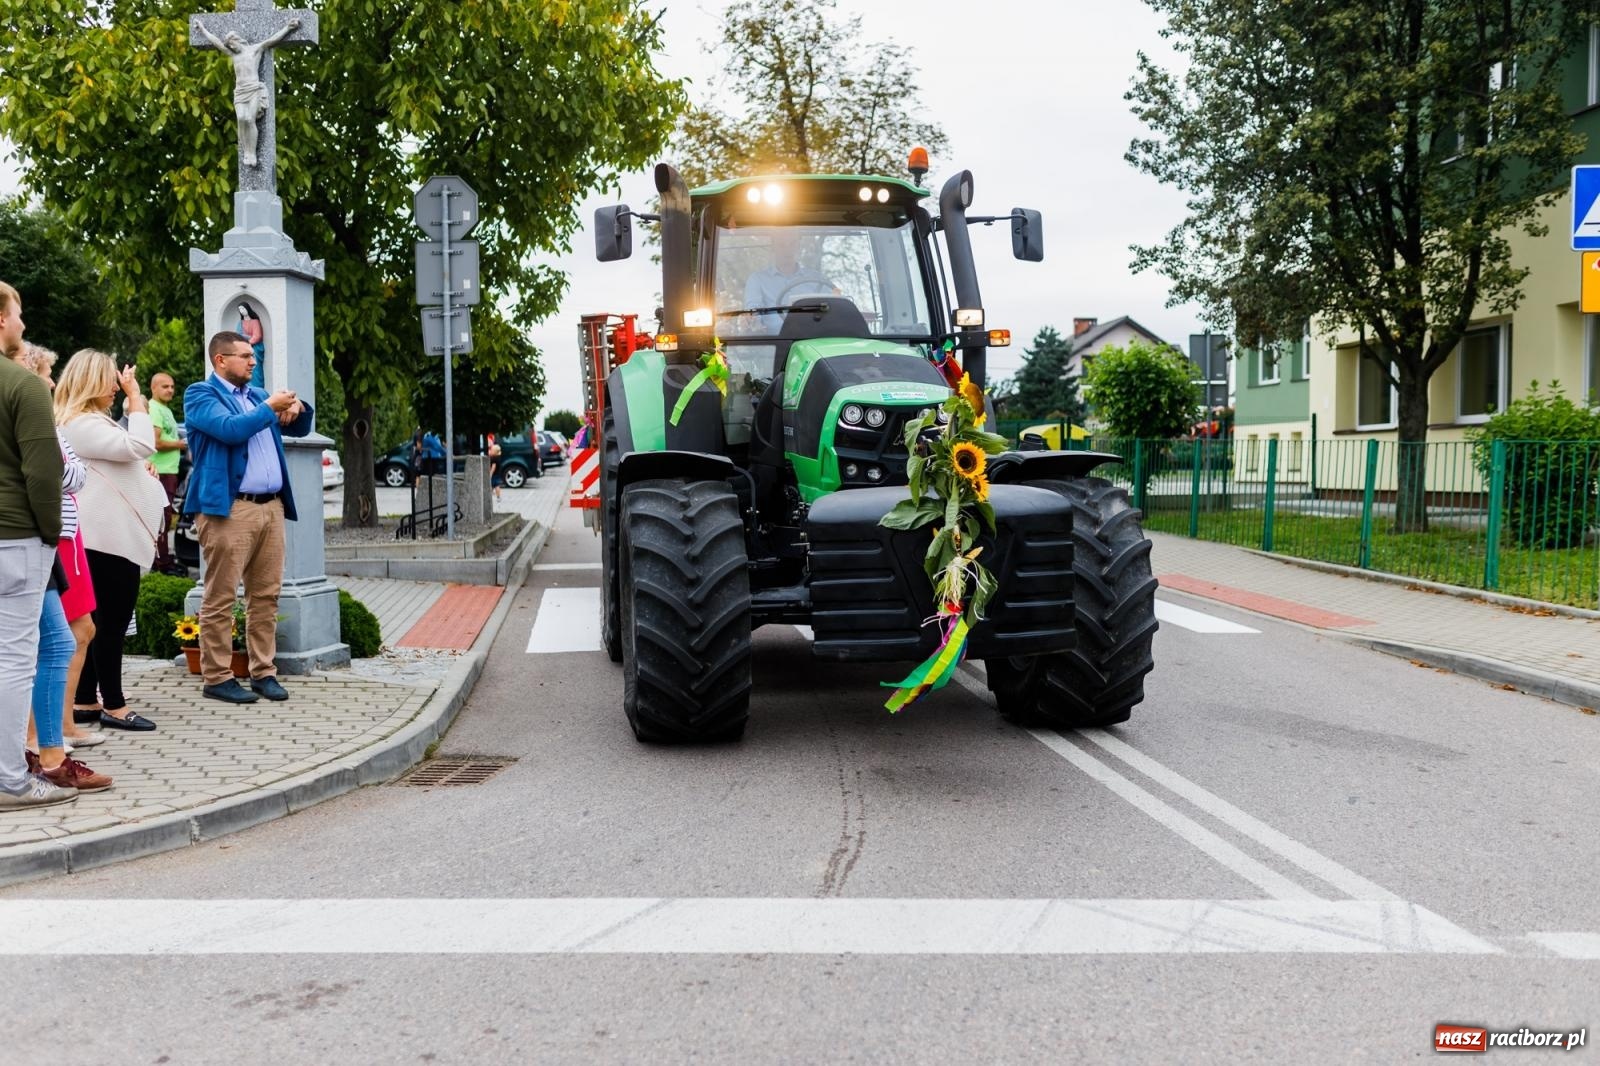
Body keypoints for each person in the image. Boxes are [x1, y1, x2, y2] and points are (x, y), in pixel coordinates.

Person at [182, 331, 312, 704]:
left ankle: (263, 672)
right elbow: (229, 430)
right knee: (221, 596)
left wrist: (298, 407)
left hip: (271, 506)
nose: (252, 361)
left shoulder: (257, 396)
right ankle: (217, 677)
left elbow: (300, 428)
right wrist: (270, 407)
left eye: (253, 355)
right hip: (229, 508)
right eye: (243, 356)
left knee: (266, 595)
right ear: (220, 360)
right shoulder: (200, 394)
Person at [6, 346, 112, 791]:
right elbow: (55, 472)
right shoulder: (24, 395)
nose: (52, 382)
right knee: (23, 654)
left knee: (58, 640)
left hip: (41, 537)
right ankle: (24, 761)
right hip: (35, 536)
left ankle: (49, 752)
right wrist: (50, 532)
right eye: (46, 374)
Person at [57, 350, 167, 732]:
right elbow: (140, 445)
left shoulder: (89, 422)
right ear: (89, 381)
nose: (116, 388)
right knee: (111, 624)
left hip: (106, 537)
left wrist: (140, 466)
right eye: (109, 380)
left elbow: (130, 456)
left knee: (97, 623)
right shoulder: (81, 423)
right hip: (105, 540)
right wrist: (137, 397)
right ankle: (114, 705)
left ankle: (87, 700)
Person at [0, 281, 76, 809]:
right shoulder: (23, 386)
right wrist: (50, 534)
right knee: (13, 662)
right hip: (15, 539)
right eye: (18, 314)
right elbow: (43, 474)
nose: (23, 326)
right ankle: (11, 779)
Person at [192, 16, 302, 168]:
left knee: (250, 119)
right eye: (229, 46)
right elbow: (216, 42)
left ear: (238, 40)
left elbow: (271, 40)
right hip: (240, 92)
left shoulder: (255, 50)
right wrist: (203, 30)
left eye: (232, 44)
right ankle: (246, 152)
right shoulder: (233, 55)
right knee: (241, 119)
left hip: (253, 89)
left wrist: (288, 28)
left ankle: (252, 153)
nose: (231, 47)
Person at [743, 230, 835, 332]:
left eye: (792, 244)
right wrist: (752, 318)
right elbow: (754, 309)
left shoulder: (816, 279)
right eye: (782, 245)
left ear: (798, 246)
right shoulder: (758, 279)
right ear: (773, 248)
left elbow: (833, 304)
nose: (788, 250)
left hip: (811, 338)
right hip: (775, 343)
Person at [148, 371, 187, 574]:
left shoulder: (165, 409)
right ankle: (163, 563)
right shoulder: (154, 409)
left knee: (164, 516)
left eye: (172, 386)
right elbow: (155, 442)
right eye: (165, 386)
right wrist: (180, 444)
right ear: (153, 387)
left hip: (168, 471)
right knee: (162, 517)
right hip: (159, 471)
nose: (170, 390)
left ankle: (160, 559)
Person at [486, 432, 503, 501]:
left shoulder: (494, 459)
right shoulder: (498, 457)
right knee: (496, 485)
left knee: (493, 485)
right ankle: (497, 497)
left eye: (491, 451)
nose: (490, 452)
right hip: (498, 473)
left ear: (494, 452)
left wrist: (490, 473)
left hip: (494, 474)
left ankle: (492, 496)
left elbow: (493, 467)